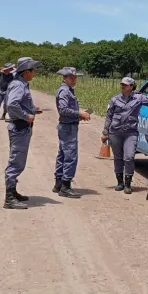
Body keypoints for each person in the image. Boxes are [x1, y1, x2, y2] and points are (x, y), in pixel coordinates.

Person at [102, 77, 148, 195]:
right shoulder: (114, 99)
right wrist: (105, 132)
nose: (123, 86)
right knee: (118, 158)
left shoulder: (139, 98)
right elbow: (109, 116)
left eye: (125, 85)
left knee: (129, 157)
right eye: (122, 84)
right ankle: (120, 182)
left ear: (131, 87)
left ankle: (128, 183)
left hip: (130, 132)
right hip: (115, 132)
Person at [3, 57, 42, 209]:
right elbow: (12, 105)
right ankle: (9, 198)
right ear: (26, 72)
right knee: (16, 163)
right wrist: (27, 116)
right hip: (20, 128)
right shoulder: (19, 85)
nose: (35, 73)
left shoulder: (21, 84)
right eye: (33, 70)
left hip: (21, 128)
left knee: (18, 161)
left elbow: (18, 104)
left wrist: (32, 109)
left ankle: (13, 192)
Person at [54, 67, 91, 198]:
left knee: (63, 154)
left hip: (68, 125)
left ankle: (58, 183)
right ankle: (65, 186)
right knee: (70, 156)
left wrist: (78, 115)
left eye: (75, 77)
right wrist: (79, 113)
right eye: (72, 77)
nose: (74, 79)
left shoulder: (68, 90)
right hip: (68, 127)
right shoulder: (64, 91)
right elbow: (63, 110)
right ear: (65, 78)